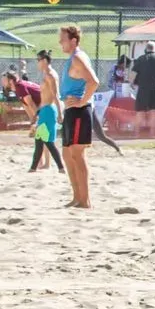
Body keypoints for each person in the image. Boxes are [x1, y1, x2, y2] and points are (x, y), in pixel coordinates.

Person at [56, 25, 99, 209]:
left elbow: (94, 82)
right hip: (70, 111)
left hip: (79, 111)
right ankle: (76, 197)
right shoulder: (72, 59)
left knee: (77, 155)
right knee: (67, 155)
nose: (60, 43)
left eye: (63, 39)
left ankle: (85, 199)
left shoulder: (78, 57)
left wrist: (82, 101)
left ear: (73, 40)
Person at [2, 70, 60, 173]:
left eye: (4, 80)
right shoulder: (17, 88)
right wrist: (32, 122)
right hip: (43, 109)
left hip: (47, 108)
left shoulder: (20, 87)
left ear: (10, 80)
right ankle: (41, 163)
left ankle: (47, 164)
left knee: (45, 137)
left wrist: (37, 120)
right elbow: (26, 105)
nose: (2, 82)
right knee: (40, 137)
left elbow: (32, 104)